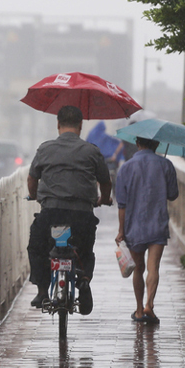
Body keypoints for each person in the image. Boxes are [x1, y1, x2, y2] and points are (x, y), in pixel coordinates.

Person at [27, 105, 112, 314]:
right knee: (85, 251)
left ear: (58, 124)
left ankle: (42, 291)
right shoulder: (92, 151)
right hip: (82, 216)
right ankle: (83, 279)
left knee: (37, 246)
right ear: (81, 126)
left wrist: (37, 196)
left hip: (51, 214)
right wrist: (104, 199)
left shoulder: (45, 149)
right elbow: (105, 181)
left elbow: (32, 178)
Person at [114, 136, 179, 324]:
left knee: (138, 269)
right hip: (157, 223)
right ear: (157, 144)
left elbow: (122, 204)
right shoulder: (165, 164)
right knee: (153, 267)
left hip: (134, 225)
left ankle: (139, 309)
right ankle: (150, 305)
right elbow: (173, 195)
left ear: (137, 143)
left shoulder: (126, 167)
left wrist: (121, 230)